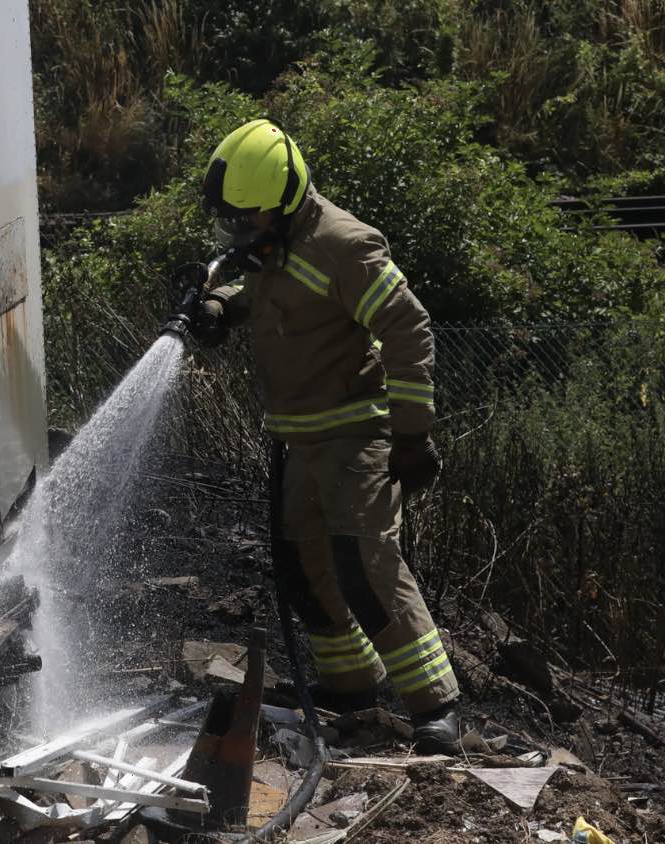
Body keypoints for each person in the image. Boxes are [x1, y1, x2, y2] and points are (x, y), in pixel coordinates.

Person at [189, 118, 460, 752]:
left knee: (365, 567)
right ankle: (350, 690)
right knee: (304, 570)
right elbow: (269, 292)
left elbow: (409, 327)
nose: (241, 233)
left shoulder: (346, 244)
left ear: (283, 203)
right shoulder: (273, 244)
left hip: (353, 435)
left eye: (249, 220)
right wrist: (219, 306)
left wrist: (413, 435)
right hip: (297, 438)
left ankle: (436, 706)